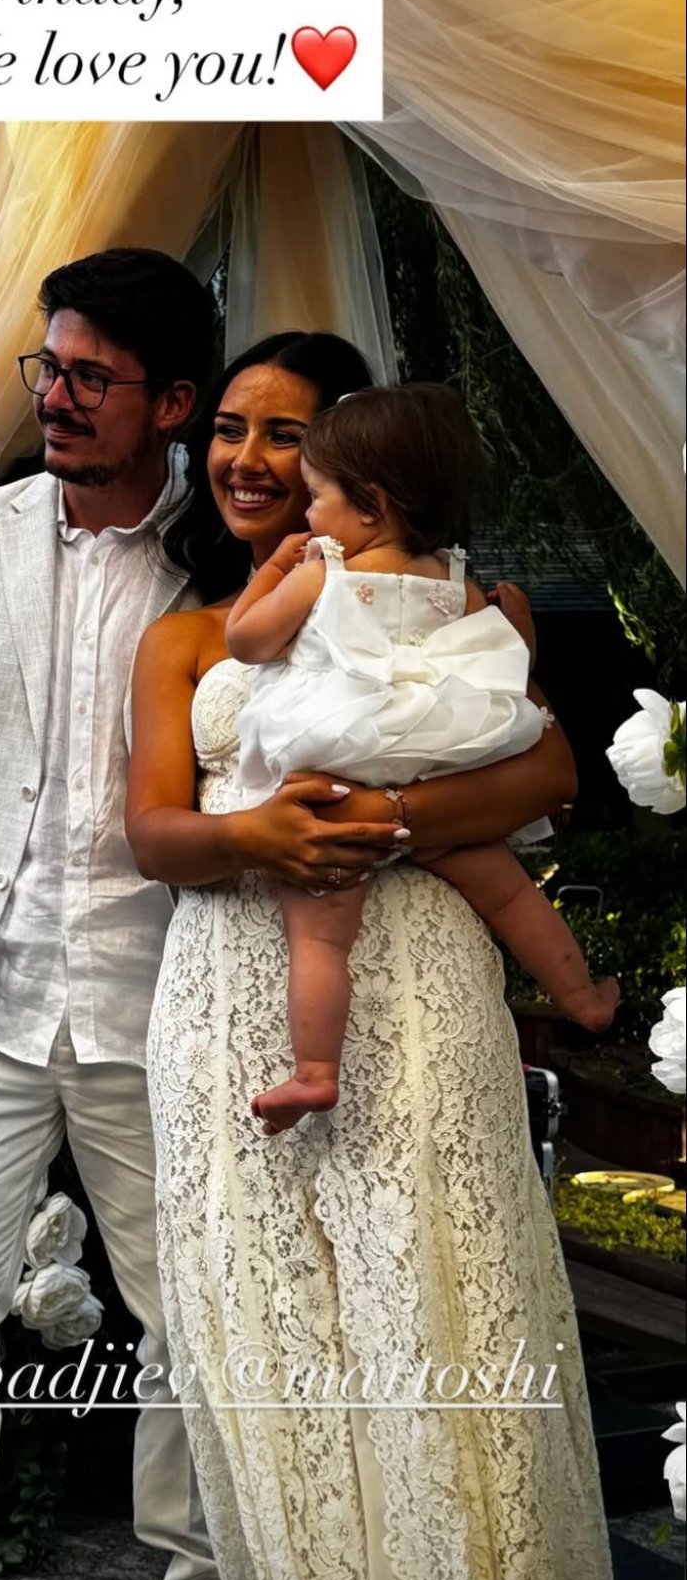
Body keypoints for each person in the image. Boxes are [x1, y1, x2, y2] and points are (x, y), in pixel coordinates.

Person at [0, 255, 400, 1580]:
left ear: (173, 402)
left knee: (192, 1322)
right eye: (50, 369)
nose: (58, 398)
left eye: (91, 377)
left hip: (169, 1001)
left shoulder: (235, 563)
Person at [126, 332, 618, 1580]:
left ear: (357, 463)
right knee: (272, 1329)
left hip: (418, 984)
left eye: (286, 435)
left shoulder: (472, 602)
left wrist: (384, 820)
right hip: (232, 993)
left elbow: (547, 773)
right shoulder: (185, 638)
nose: (249, 459)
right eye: (229, 428)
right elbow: (152, 835)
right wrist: (256, 836)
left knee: (442, 1294)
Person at [225, 382, 618, 1133]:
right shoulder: (451, 579)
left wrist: (274, 570)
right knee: (510, 895)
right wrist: (522, 638)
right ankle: (584, 998)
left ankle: (315, 1073)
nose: (307, 515)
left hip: (343, 781)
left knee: (319, 933)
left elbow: (246, 642)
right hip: (437, 774)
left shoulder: (325, 571)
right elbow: (500, 664)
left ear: (369, 507)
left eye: (317, 496)